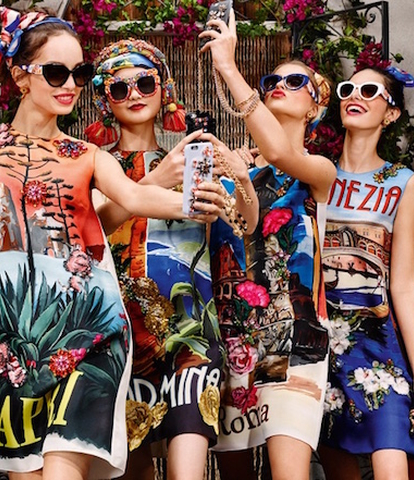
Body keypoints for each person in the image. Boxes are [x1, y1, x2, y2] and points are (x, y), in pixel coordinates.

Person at [0, 7, 220, 480]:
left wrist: (201, 200)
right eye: (56, 72)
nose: (71, 85)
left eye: (80, 73)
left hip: (88, 334)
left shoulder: (87, 155)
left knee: (61, 471)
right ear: (19, 75)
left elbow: (135, 196)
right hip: (6, 343)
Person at [88, 39, 258, 480]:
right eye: (119, 87)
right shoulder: (94, 164)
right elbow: (93, 228)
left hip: (193, 331)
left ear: (165, 89)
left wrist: (240, 178)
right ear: (105, 100)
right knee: (133, 469)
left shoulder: (192, 160)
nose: (134, 94)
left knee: (189, 463)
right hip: (120, 335)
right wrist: (156, 179)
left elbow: (242, 224)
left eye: (145, 83)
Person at [200, 11, 336, 480]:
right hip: (233, 339)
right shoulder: (232, 170)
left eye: (295, 81)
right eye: (271, 80)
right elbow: (234, 228)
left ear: (316, 106)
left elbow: (280, 153)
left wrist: (228, 67)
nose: (279, 85)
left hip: (296, 338)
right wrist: (237, 176)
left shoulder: (320, 171)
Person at [317, 66, 414, 480]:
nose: (355, 96)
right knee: (337, 461)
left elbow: (403, 284)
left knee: (392, 447)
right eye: (348, 89)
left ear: (391, 113)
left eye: (370, 90)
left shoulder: (403, 182)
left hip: (379, 343)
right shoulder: (315, 173)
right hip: (320, 342)